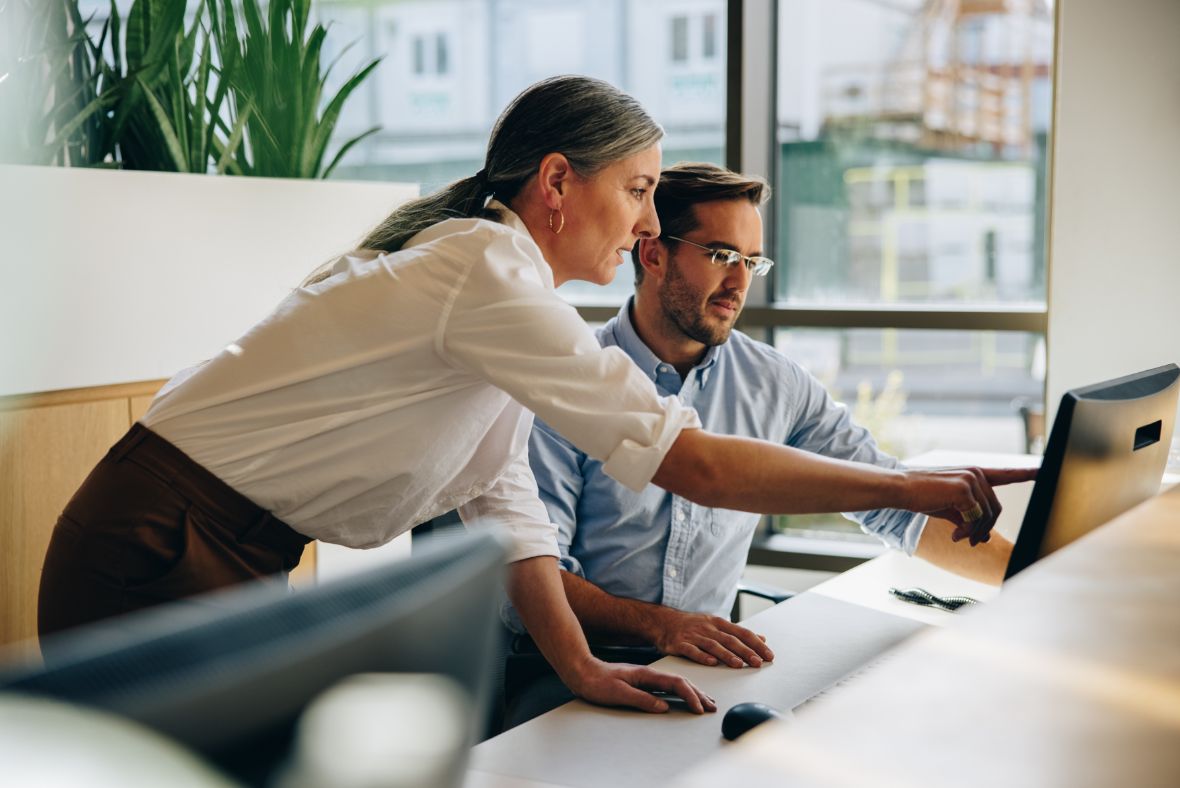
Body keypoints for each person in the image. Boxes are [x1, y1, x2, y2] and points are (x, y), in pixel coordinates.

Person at [38, 76, 1032, 717]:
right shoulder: (486, 276)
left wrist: (583, 669)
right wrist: (916, 489)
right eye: (638, 188)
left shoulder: (505, 300)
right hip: (160, 537)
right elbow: (692, 463)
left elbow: (503, 503)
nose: (646, 219)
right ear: (559, 181)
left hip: (218, 539)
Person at [503, 164, 1016, 698]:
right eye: (722, 256)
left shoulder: (775, 383)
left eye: (752, 261)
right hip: (570, 666)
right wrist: (664, 625)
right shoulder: (568, 380)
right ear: (653, 254)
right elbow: (539, 573)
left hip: (708, 667)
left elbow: (891, 502)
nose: (740, 283)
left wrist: (1027, 578)